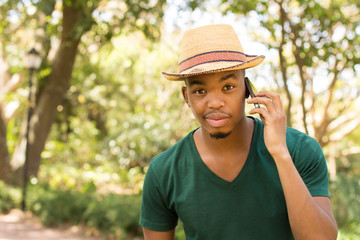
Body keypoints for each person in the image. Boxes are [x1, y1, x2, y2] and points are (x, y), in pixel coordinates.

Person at [140, 24, 338, 240]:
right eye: (199, 91)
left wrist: (280, 153)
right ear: (186, 97)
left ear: (246, 89)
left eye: (228, 87)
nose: (215, 102)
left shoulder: (300, 150)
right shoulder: (164, 171)